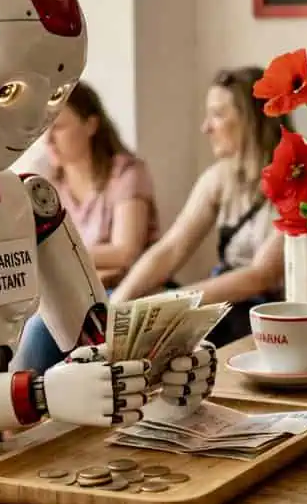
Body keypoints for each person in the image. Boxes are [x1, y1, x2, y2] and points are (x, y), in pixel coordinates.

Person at [111, 67, 285, 343]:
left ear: (252, 119)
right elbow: (171, 248)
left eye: (217, 114)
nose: (206, 127)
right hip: (226, 306)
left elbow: (261, 275)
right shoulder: (219, 178)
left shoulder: (297, 181)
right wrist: (119, 303)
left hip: (265, 320)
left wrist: (167, 304)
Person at [12, 82, 160, 372]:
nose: (48, 139)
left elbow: (125, 252)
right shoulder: (42, 175)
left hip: (128, 292)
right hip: (73, 291)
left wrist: (61, 260)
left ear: (91, 125)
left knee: (42, 328)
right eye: (44, 128)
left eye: (58, 127)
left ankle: (24, 408)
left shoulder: (126, 173)